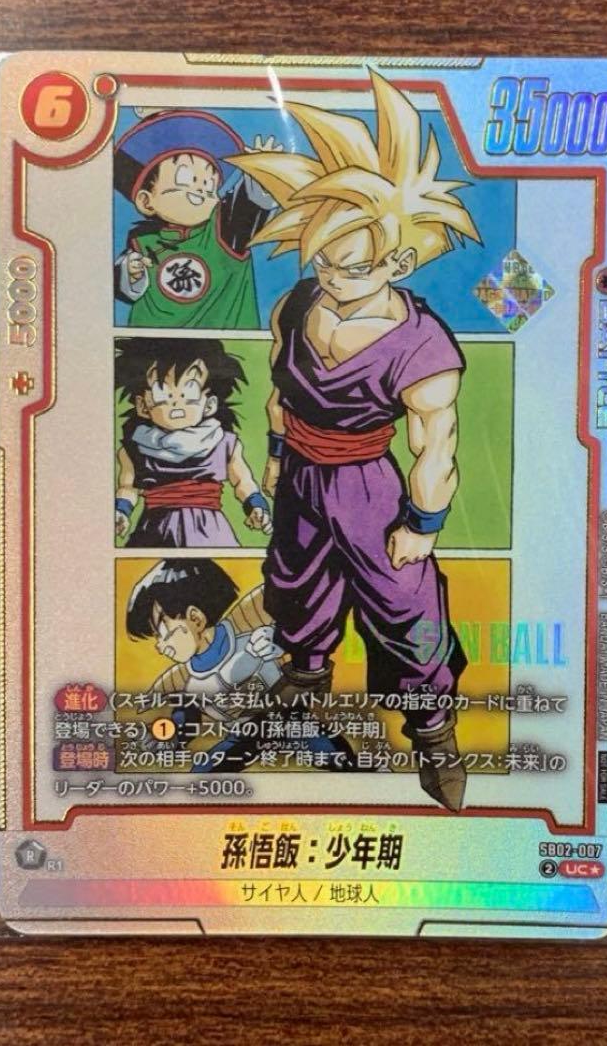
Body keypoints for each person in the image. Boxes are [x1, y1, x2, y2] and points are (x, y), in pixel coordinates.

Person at [227, 70, 482, 810]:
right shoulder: (296, 303)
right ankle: (302, 685)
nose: (334, 277)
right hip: (302, 477)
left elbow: (436, 446)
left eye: (355, 265)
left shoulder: (423, 347)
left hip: (369, 488)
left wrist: (422, 525)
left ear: (398, 262)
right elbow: (279, 394)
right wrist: (277, 460)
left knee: (405, 609)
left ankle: (433, 734)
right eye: (323, 260)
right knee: (295, 589)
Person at [126, 560, 356, 773]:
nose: (160, 646)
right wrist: (169, 736)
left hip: (287, 719)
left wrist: (281, 640)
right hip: (245, 734)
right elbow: (186, 719)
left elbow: (302, 622)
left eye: (163, 633)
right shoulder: (188, 681)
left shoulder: (250, 636)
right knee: (202, 772)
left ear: (195, 618)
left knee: (338, 758)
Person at [114, 109, 280, 327]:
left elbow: (249, 206)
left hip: (224, 341)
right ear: (146, 201)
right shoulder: (141, 242)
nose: (201, 191)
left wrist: (263, 176)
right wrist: (132, 273)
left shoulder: (223, 230)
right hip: (151, 342)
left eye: (209, 186)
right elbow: (123, 289)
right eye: (186, 181)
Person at [115, 337, 271, 548]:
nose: (176, 402)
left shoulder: (224, 444)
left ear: (210, 404)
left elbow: (243, 481)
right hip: (154, 531)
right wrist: (121, 511)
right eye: (162, 393)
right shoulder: (134, 449)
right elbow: (128, 487)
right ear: (142, 405)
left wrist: (256, 506)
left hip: (209, 532)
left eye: (189, 391)